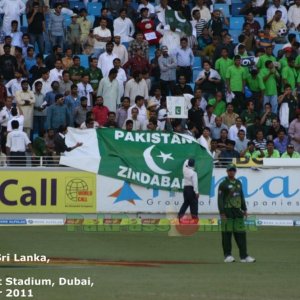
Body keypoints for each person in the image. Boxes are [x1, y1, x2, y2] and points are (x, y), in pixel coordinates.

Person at [218, 164, 256, 263]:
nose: (232, 172)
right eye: (230, 170)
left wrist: (244, 209)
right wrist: (222, 213)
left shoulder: (238, 183)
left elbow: (241, 196)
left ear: (235, 171)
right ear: (227, 171)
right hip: (227, 211)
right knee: (227, 234)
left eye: (233, 170)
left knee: (241, 234)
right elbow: (220, 200)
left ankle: (244, 256)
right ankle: (227, 256)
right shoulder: (223, 184)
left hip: (237, 212)